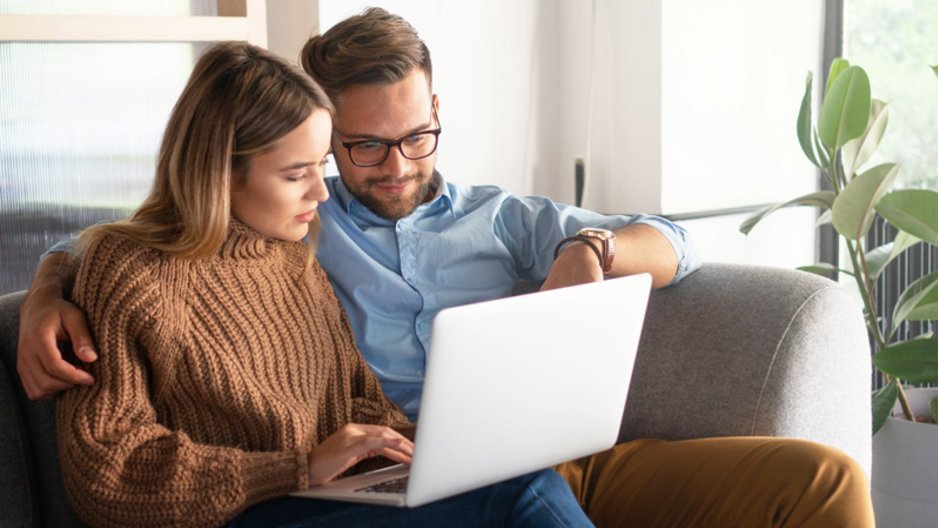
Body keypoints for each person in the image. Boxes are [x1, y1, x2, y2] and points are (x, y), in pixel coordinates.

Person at [19, 8, 874, 527]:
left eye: (417, 136)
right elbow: (144, 245)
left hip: (550, 456)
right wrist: (49, 288)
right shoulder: (303, 237)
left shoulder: (499, 220)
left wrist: (590, 250)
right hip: (407, 482)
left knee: (820, 478)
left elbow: (673, 240)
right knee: (520, 500)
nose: (394, 166)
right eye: (359, 149)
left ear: (438, 111)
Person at [50, 41, 593, 528]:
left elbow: (358, 405)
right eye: (295, 175)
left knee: (518, 478)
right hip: (239, 514)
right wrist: (296, 469)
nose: (322, 192)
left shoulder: (294, 259)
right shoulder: (130, 272)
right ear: (219, 171)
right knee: (522, 495)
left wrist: (431, 450)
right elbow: (106, 473)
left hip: (324, 499)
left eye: (320, 165)